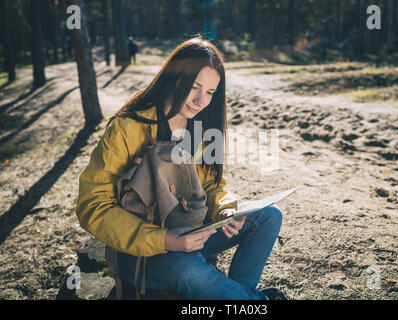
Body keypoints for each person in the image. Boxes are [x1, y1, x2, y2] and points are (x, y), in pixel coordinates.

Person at [76, 36, 286, 300]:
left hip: (193, 233)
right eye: (195, 87)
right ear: (175, 78)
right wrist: (164, 240)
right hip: (142, 252)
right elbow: (92, 207)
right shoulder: (127, 128)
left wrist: (226, 208)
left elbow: (211, 187)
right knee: (190, 270)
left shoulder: (202, 127)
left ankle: (237, 296)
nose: (201, 100)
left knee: (269, 216)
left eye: (210, 92)